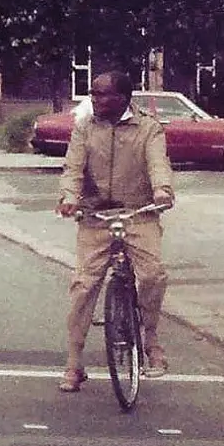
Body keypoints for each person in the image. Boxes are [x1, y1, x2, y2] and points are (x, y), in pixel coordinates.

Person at [56, 71, 175, 391]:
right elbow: (73, 168)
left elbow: (158, 164)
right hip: (95, 216)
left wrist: (162, 191)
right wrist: (69, 198)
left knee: (152, 275)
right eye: (93, 93)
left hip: (138, 213)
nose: (94, 99)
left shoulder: (148, 128)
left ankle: (151, 340)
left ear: (123, 98)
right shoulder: (85, 127)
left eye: (102, 94)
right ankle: (74, 363)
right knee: (83, 286)